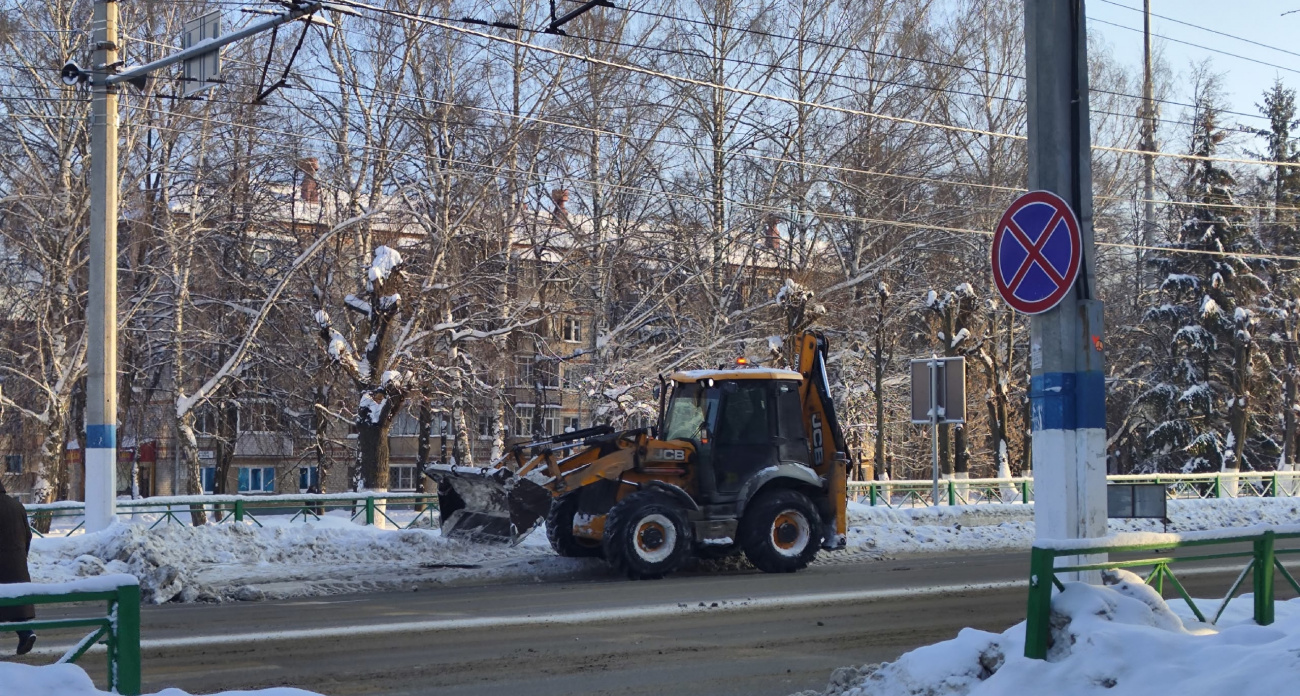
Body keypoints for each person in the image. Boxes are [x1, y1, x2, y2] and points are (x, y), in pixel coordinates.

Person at [0, 480, 35, 655]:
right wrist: (21, 556)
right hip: (16, 562)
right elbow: (28, 535)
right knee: (14, 603)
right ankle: (26, 633)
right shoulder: (17, 506)